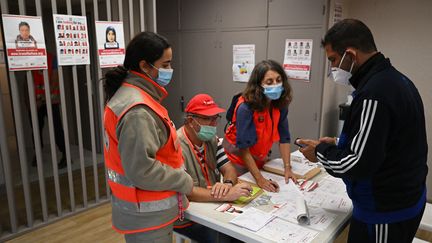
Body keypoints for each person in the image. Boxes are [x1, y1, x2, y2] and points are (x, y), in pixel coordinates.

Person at [297, 19, 428, 243]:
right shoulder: (396, 80)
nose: (333, 68)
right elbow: (386, 139)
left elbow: (357, 164)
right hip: (407, 198)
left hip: (385, 211)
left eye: (333, 60)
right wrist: (339, 142)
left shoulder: (374, 93)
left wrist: (320, 152)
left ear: (350, 54)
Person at [103, 31, 193, 243]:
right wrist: (183, 180)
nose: (170, 70)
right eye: (165, 65)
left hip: (145, 212)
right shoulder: (137, 110)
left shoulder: (134, 96)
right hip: (148, 215)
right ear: (144, 66)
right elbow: (142, 170)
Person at [174, 93, 252, 242]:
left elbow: (229, 169)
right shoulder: (176, 146)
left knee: (241, 233)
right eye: (208, 119)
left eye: (215, 118)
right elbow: (186, 192)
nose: (214, 124)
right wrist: (224, 195)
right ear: (191, 121)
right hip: (188, 216)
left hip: (212, 206)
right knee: (224, 238)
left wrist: (227, 185)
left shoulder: (212, 140)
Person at [223, 60, 297, 192]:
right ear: (259, 85)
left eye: (278, 80)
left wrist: (287, 168)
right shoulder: (245, 108)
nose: (275, 85)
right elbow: (243, 149)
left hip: (259, 159)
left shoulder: (280, 104)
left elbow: (284, 137)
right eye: (269, 82)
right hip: (237, 161)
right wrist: (259, 179)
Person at [31, 53, 66, 169]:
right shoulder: (28, 58)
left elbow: (55, 83)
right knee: (36, 130)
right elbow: (28, 82)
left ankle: (65, 156)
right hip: (36, 102)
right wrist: (29, 102)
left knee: (57, 129)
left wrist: (42, 99)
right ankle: (37, 155)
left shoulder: (52, 59)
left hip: (51, 101)